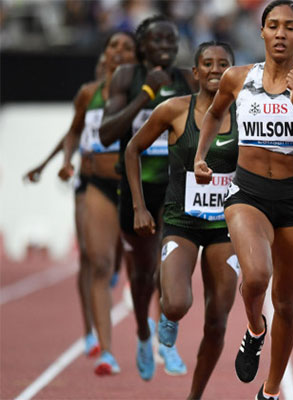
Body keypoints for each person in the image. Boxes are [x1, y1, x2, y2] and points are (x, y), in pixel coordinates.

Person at [193, 1, 293, 399]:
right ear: (261, 32)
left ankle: (271, 391)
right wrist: (200, 155)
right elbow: (212, 113)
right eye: (272, 25)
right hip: (249, 192)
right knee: (256, 276)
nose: (280, 33)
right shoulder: (237, 77)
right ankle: (256, 328)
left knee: (288, 303)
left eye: (289, 27)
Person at [124, 41, 239, 397]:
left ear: (234, 72)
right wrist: (139, 207)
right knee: (175, 302)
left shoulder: (247, 113)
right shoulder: (173, 110)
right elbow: (132, 150)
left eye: (223, 64)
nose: (215, 69)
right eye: (207, 63)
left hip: (226, 227)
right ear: (195, 72)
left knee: (217, 321)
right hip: (182, 221)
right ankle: (167, 322)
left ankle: (195, 395)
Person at [22, 36, 133, 361]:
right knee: (88, 256)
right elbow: (70, 134)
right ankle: (89, 332)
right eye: (108, 59)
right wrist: (58, 163)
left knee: (114, 249)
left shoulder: (136, 97)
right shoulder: (90, 94)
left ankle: (112, 266)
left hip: (121, 180)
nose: (111, 64)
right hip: (88, 181)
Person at [100, 15, 195, 380]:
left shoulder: (187, 78)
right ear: (142, 46)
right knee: (141, 274)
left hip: (175, 189)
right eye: (158, 42)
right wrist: (146, 95)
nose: (167, 49)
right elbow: (109, 134)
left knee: (165, 272)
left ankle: (164, 341)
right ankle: (142, 332)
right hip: (137, 187)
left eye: (172, 42)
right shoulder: (127, 77)